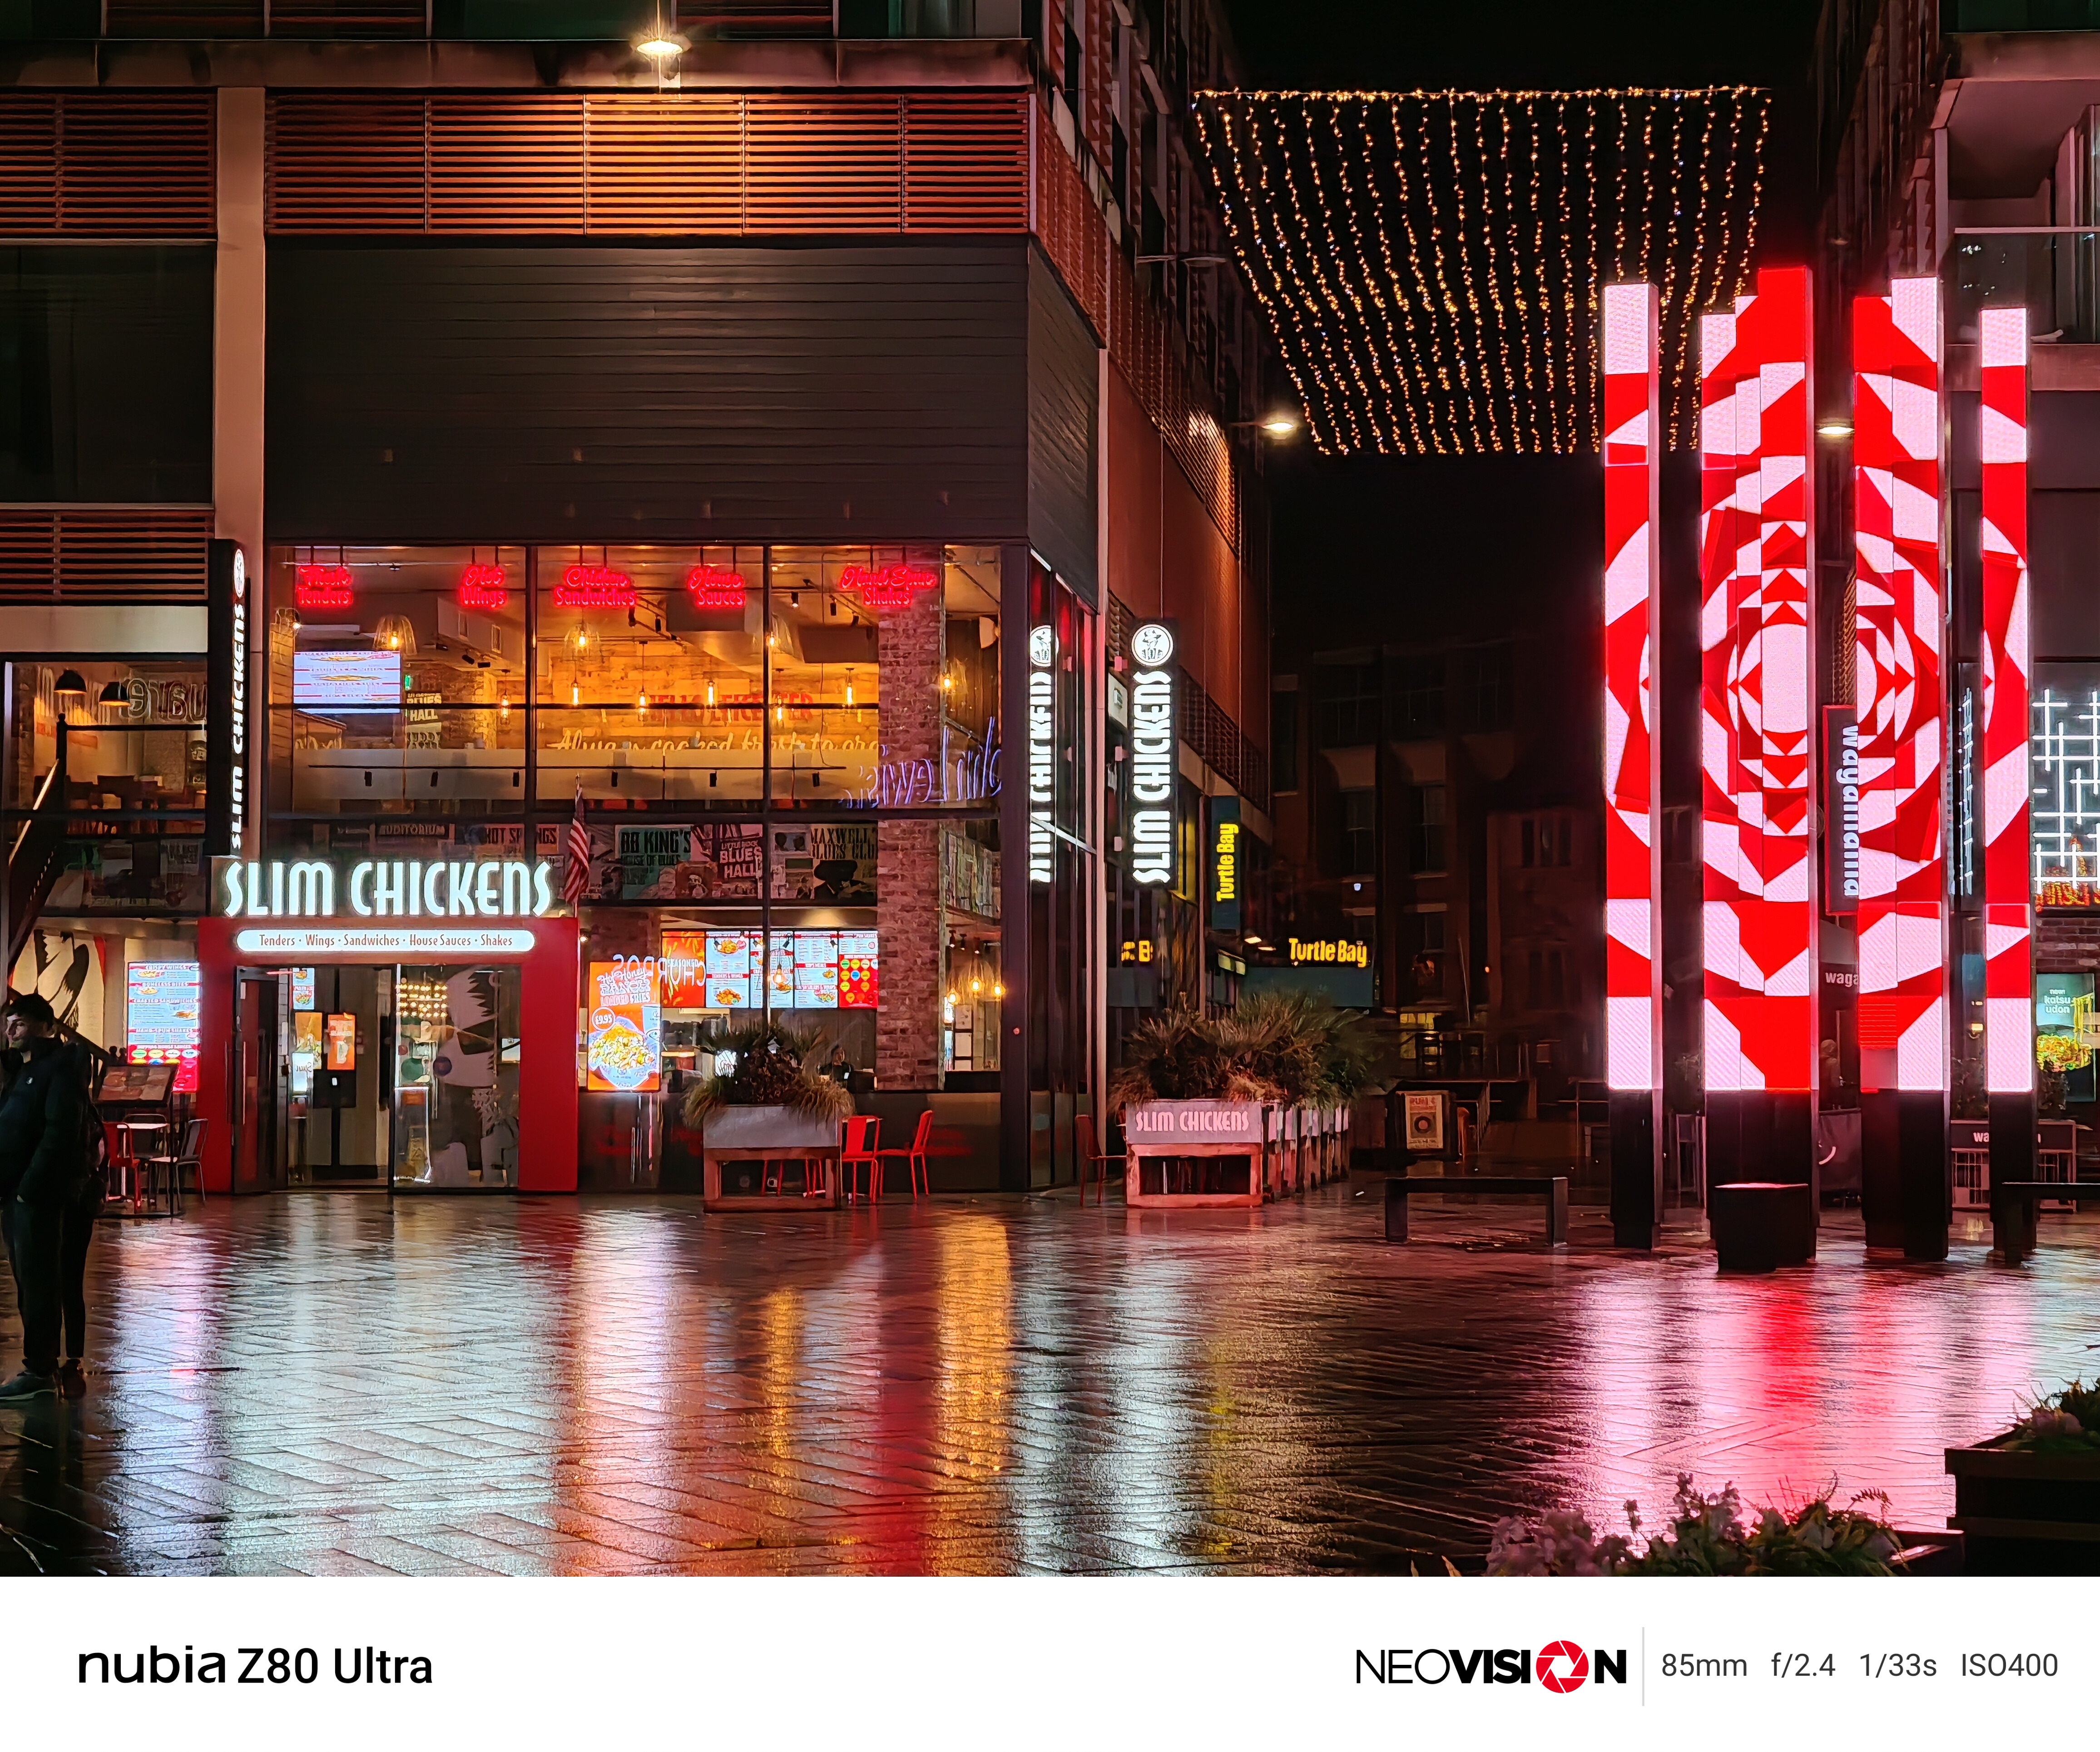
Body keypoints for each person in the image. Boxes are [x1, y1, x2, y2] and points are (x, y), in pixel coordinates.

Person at [0, 991, 91, 1401]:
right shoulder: (23, 1069)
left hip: (38, 1198)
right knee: (27, 1282)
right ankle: (40, 1365)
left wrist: (29, 1190)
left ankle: (40, 1368)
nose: (11, 1031)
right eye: (8, 1024)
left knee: (40, 1283)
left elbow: (59, 1134)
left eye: (19, 1023)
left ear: (46, 1026)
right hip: (16, 1196)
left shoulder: (60, 1069)